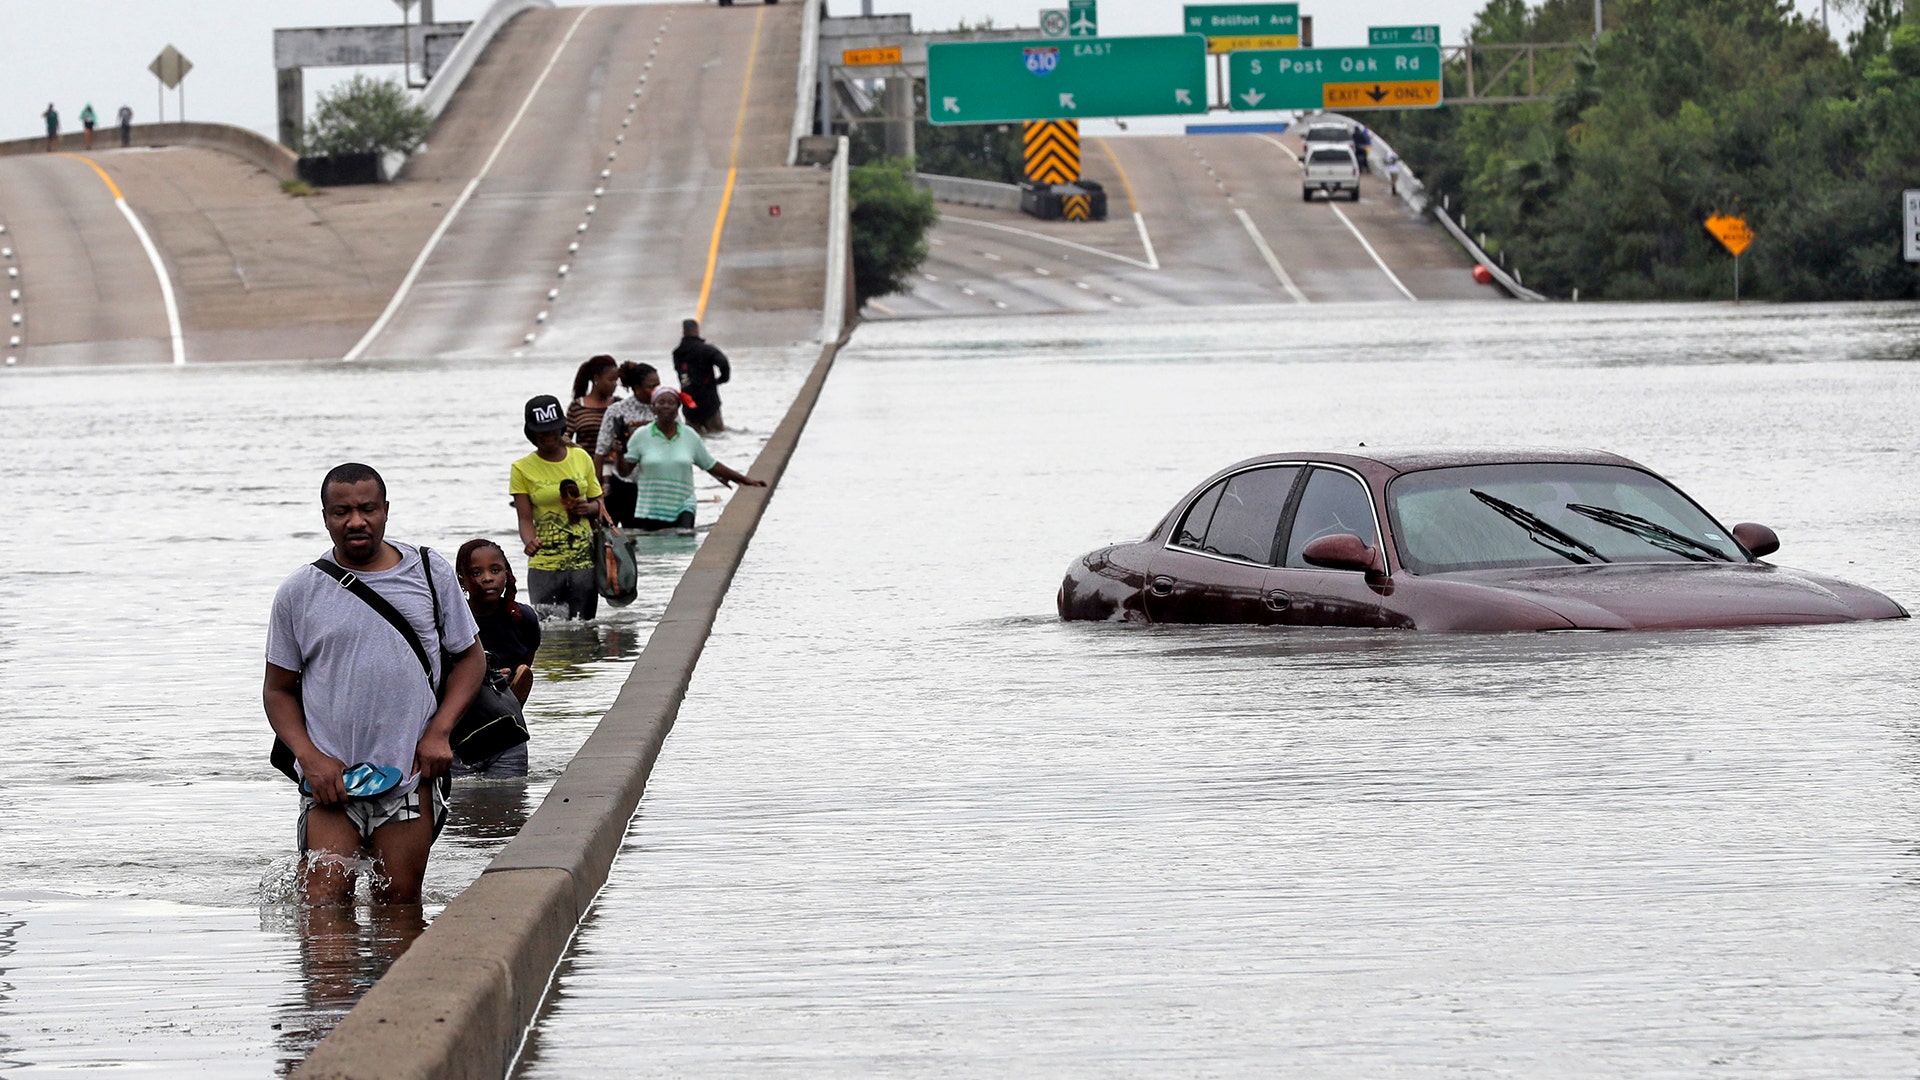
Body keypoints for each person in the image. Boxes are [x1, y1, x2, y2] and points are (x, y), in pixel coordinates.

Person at [263, 462, 484, 906]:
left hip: (410, 774)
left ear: (386, 510)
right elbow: (278, 690)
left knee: (399, 904)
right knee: (323, 903)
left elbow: (470, 659)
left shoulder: (428, 572)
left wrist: (440, 732)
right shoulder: (299, 592)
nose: (356, 521)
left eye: (367, 509)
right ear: (325, 516)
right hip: (330, 782)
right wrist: (310, 757)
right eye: (341, 511)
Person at [512, 394, 608, 619]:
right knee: (549, 632)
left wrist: (589, 508)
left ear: (562, 428)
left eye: (553, 430)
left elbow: (600, 503)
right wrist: (529, 542)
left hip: (584, 563)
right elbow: (525, 519)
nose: (548, 436)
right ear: (532, 434)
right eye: (542, 432)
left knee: (583, 629)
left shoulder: (581, 457)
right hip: (544, 565)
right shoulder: (521, 468)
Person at [623, 383, 765, 534]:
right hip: (650, 507)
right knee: (655, 549)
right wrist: (620, 454)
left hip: (683, 504)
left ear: (678, 407)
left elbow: (710, 464)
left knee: (684, 538)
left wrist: (744, 480)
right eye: (661, 402)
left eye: (671, 403)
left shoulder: (689, 435)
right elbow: (625, 471)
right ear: (653, 407)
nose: (666, 406)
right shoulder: (641, 436)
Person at [453, 538, 539, 778]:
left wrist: (504, 687)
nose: (487, 578)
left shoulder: (524, 618)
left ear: (507, 574)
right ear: (462, 580)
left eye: (495, 570)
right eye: (476, 572)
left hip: (506, 727)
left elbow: (525, 668)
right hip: (461, 729)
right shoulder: (453, 622)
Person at [595, 361, 660, 527]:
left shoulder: (666, 408)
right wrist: (595, 491)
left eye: (658, 385)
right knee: (628, 536)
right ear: (637, 387)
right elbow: (601, 451)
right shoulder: (617, 411)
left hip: (658, 485)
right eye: (651, 387)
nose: (656, 391)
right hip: (626, 485)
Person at [672, 318, 731, 435]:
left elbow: (682, 374)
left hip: (689, 404)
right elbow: (723, 362)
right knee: (717, 434)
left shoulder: (677, 353)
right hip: (709, 403)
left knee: (694, 437)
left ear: (683, 332)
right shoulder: (707, 349)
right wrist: (722, 379)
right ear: (697, 331)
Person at [567, 355, 619, 453]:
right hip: (585, 464)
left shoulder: (619, 405)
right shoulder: (576, 407)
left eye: (616, 380)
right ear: (596, 378)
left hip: (614, 465)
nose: (615, 384)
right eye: (611, 380)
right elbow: (565, 438)